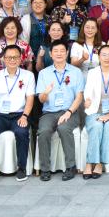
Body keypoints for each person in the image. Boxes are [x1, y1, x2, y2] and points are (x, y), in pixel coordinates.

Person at [0, 45, 34, 184]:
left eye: (15, 57)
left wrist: (25, 116)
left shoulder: (28, 76)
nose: (12, 60)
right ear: (3, 59)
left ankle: (21, 167)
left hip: (19, 114)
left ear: (21, 59)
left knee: (22, 132)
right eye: (9, 57)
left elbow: (30, 98)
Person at [36, 41, 85, 181]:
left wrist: (69, 112)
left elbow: (79, 97)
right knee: (44, 131)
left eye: (62, 51)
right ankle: (45, 168)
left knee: (64, 128)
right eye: (55, 51)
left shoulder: (76, 72)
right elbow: (41, 99)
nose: (59, 53)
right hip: (49, 112)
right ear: (50, 54)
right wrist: (45, 93)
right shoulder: (44, 73)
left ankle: (71, 166)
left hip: (70, 111)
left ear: (67, 53)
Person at [82, 45, 109, 179]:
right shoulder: (93, 72)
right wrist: (87, 100)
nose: (107, 58)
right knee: (96, 126)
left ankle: (99, 163)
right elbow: (88, 90)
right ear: (99, 57)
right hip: (95, 110)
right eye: (103, 55)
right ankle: (89, 162)